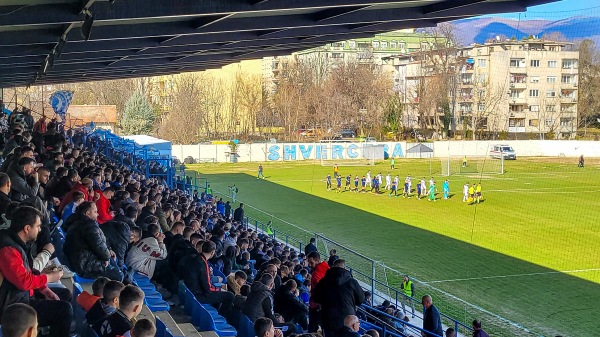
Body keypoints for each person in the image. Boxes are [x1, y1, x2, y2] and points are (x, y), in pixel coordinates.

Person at [0, 206, 72, 337]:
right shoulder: (8, 249)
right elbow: (23, 281)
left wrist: (44, 289)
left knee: (65, 294)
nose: (40, 230)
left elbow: (29, 272)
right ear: (27, 228)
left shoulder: (17, 242)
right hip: (14, 305)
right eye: (38, 226)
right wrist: (49, 278)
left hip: (21, 294)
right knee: (64, 310)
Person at [63, 202, 123, 281]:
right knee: (119, 276)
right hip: (84, 265)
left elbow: (99, 240)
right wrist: (106, 258)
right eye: (95, 212)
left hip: (79, 258)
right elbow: (98, 245)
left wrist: (109, 249)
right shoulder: (88, 225)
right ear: (88, 213)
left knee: (115, 263)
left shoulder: (78, 221)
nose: (97, 214)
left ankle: (127, 275)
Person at [312, 259, 364, 337]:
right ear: (344, 268)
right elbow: (361, 299)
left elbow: (315, 297)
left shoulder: (324, 281)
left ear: (332, 267)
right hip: (347, 320)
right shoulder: (352, 281)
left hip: (328, 319)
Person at [182, 240, 234, 318]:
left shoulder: (195, 257)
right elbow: (208, 288)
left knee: (220, 294)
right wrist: (219, 289)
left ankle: (215, 312)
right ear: (212, 252)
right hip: (198, 295)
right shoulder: (203, 263)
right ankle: (221, 317)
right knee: (230, 296)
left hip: (191, 290)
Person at [306, 251, 329, 333]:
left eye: (311, 262)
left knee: (312, 328)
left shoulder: (317, 274)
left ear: (317, 260)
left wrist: (319, 304)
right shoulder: (327, 268)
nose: (309, 264)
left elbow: (320, 291)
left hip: (316, 306)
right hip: (324, 306)